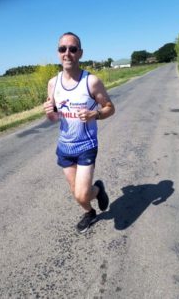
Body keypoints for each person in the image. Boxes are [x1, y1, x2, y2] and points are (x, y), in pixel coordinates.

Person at [43, 32, 115, 233]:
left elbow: (110, 107)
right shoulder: (52, 83)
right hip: (64, 147)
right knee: (77, 193)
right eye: (62, 49)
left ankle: (97, 189)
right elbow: (55, 117)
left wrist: (96, 114)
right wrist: (50, 114)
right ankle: (90, 213)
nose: (67, 53)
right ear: (58, 53)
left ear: (80, 53)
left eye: (72, 49)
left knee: (82, 194)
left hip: (86, 145)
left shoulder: (91, 82)